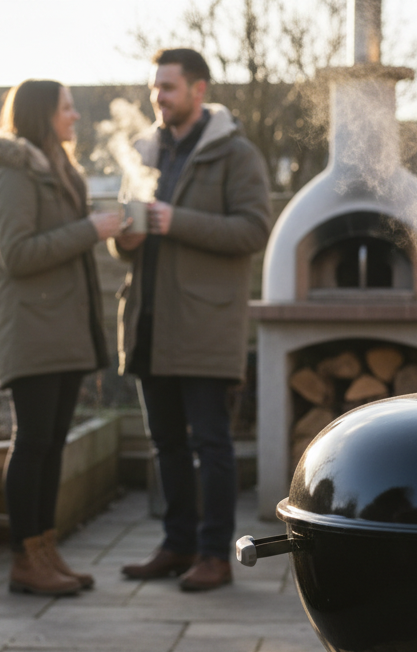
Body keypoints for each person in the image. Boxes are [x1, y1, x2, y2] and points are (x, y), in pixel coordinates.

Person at [111, 48, 272, 591]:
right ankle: (177, 545)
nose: (157, 97)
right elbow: (125, 241)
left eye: (168, 87)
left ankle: (214, 556)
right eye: (154, 87)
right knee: (166, 445)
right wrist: (125, 239)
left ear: (199, 90)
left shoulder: (237, 154)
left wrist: (176, 220)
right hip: (147, 322)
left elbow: (253, 230)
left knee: (211, 445)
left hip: (205, 325)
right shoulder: (145, 151)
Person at [0, 80, 125, 596]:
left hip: (61, 328)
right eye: (66, 108)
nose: (75, 116)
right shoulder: (11, 172)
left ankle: (45, 550)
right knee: (33, 442)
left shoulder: (57, 169)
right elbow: (17, 254)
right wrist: (90, 229)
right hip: (32, 329)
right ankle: (24, 559)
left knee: (53, 443)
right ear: (41, 114)